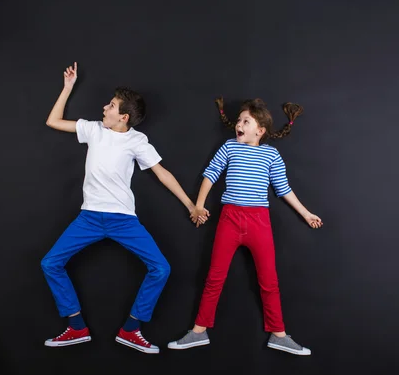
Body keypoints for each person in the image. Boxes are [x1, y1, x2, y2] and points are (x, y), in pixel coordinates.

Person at [41, 62, 209, 354]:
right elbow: (53, 121)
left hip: (123, 221)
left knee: (160, 268)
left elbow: (162, 174)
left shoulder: (136, 140)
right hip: (89, 218)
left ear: (124, 117)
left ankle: (131, 330)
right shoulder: (94, 130)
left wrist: (192, 205)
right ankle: (76, 326)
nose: (104, 108)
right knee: (50, 263)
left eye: (111, 105)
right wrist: (67, 87)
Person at [170, 97, 322, 355]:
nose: (238, 125)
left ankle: (279, 334)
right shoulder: (229, 147)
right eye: (238, 121)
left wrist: (306, 214)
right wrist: (198, 205)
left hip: (259, 222)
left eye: (245, 121)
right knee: (214, 278)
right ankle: (198, 331)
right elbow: (211, 174)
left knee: (269, 281)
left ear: (260, 130)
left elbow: (283, 189)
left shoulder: (271, 154)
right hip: (229, 219)